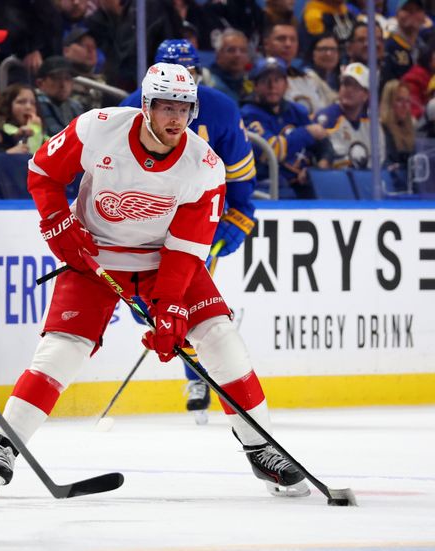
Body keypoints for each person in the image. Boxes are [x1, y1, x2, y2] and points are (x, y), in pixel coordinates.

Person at [0, 62, 309, 500]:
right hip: (93, 257)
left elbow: (185, 252)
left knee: (220, 335)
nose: (175, 118)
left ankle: (263, 446)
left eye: (184, 108)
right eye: (166, 106)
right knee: (62, 351)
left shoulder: (204, 167)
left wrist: (169, 309)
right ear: (146, 106)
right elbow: (42, 171)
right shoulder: (99, 128)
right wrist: (57, 221)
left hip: (160, 261)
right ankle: (3, 449)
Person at [119, 39, 258, 420]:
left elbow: (241, 173)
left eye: (189, 72)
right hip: (141, 224)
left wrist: (241, 215)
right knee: (145, 310)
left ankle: (201, 374)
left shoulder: (221, 108)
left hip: (197, 222)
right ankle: (203, 354)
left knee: (184, 303)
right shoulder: (127, 109)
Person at [241, 57, 333, 198]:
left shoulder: (297, 111)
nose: (272, 86)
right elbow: (271, 150)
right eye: (266, 81)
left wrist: (318, 167)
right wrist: (307, 133)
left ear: (286, 84)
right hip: (267, 187)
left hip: (303, 185)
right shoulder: (248, 115)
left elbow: (323, 142)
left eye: (277, 80)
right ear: (255, 85)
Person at [315, 62, 384, 169]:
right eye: (346, 84)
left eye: (356, 86)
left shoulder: (372, 126)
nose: (349, 89)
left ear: (366, 95)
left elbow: (380, 163)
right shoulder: (326, 119)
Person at [0, 83, 46, 155]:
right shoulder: (4, 130)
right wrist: (35, 129)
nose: (28, 107)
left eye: (33, 103)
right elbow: (31, 155)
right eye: (21, 102)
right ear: (8, 105)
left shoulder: (43, 134)